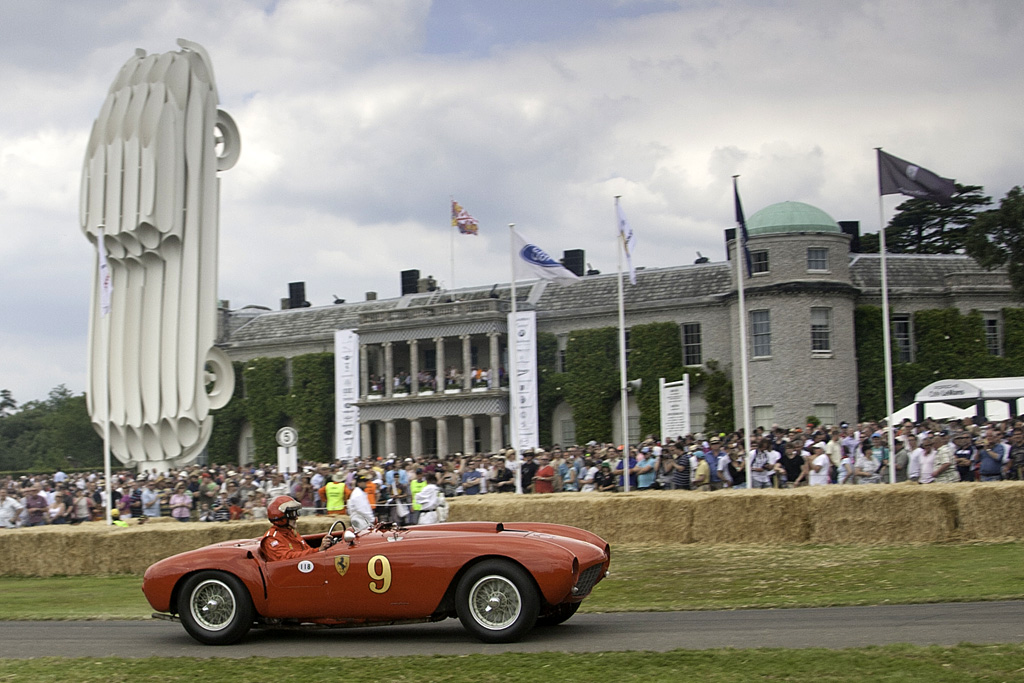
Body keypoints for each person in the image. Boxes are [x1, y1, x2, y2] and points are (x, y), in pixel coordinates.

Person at [260, 495, 335, 561]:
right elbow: (287, 559)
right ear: (281, 517)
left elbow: (307, 550)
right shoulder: (271, 539)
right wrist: (318, 550)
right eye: (292, 514)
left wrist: (322, 549)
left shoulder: (292, 533)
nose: (296, 518)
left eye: (296, 513)